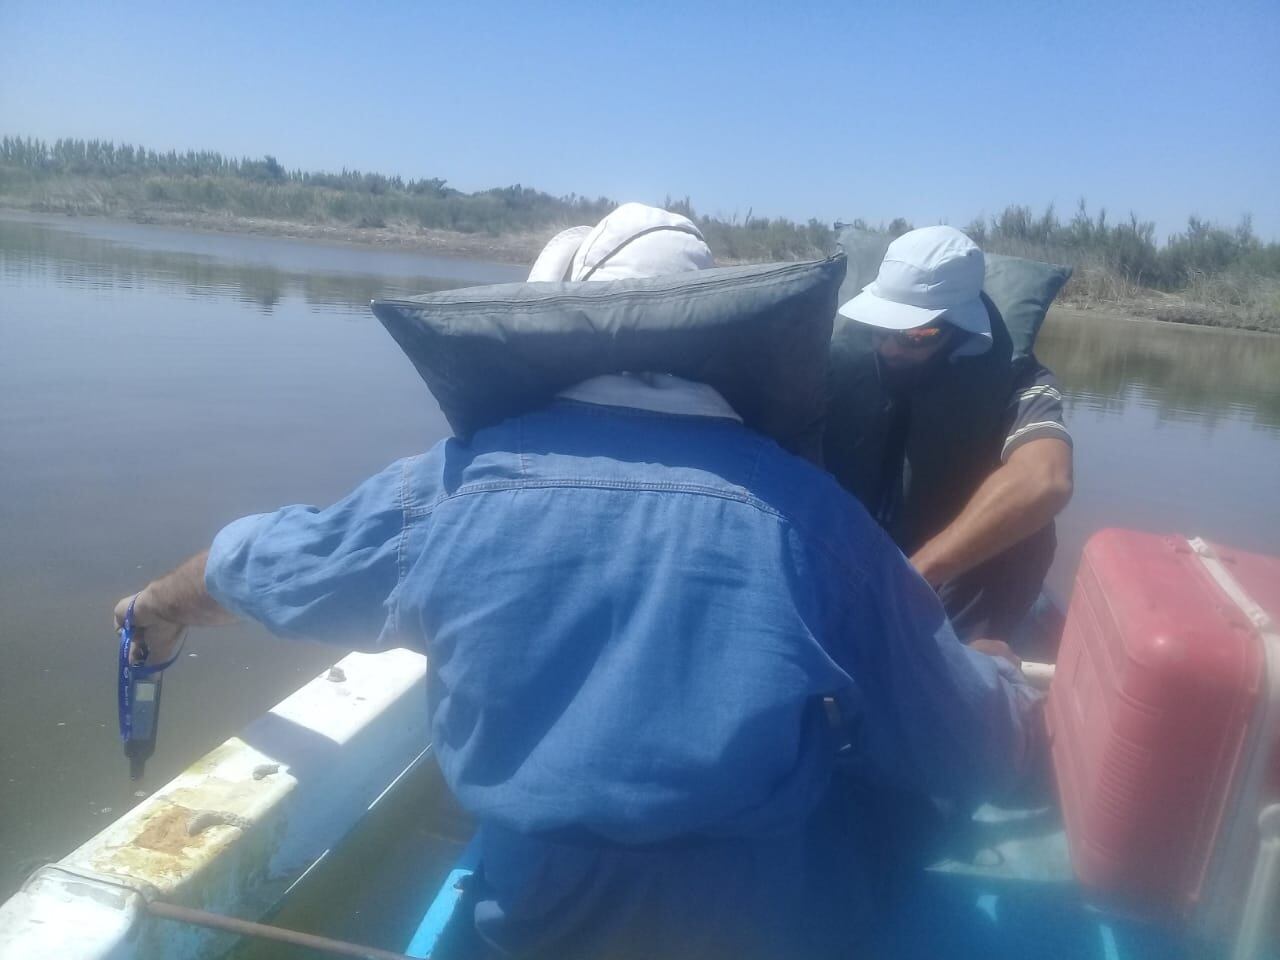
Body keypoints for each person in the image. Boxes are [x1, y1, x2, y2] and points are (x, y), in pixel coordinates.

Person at [115, 204, 1044, 959]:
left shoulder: (443, 490)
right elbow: (963, 746)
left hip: (535, 924)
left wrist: (154, 607)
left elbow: (258, 564)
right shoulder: (814, 518)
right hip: (754, 928)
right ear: (720, 337)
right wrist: (995, 673)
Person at [825, 225, 1074, 649]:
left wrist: (908, 580)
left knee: (1028, 526)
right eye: (880, 329)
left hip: (947, 580)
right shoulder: (833, 364)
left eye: (916, 335)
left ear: (961, 328)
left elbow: (1045, 480)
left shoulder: (1021, 382)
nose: (890, 349)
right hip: (848, 564)